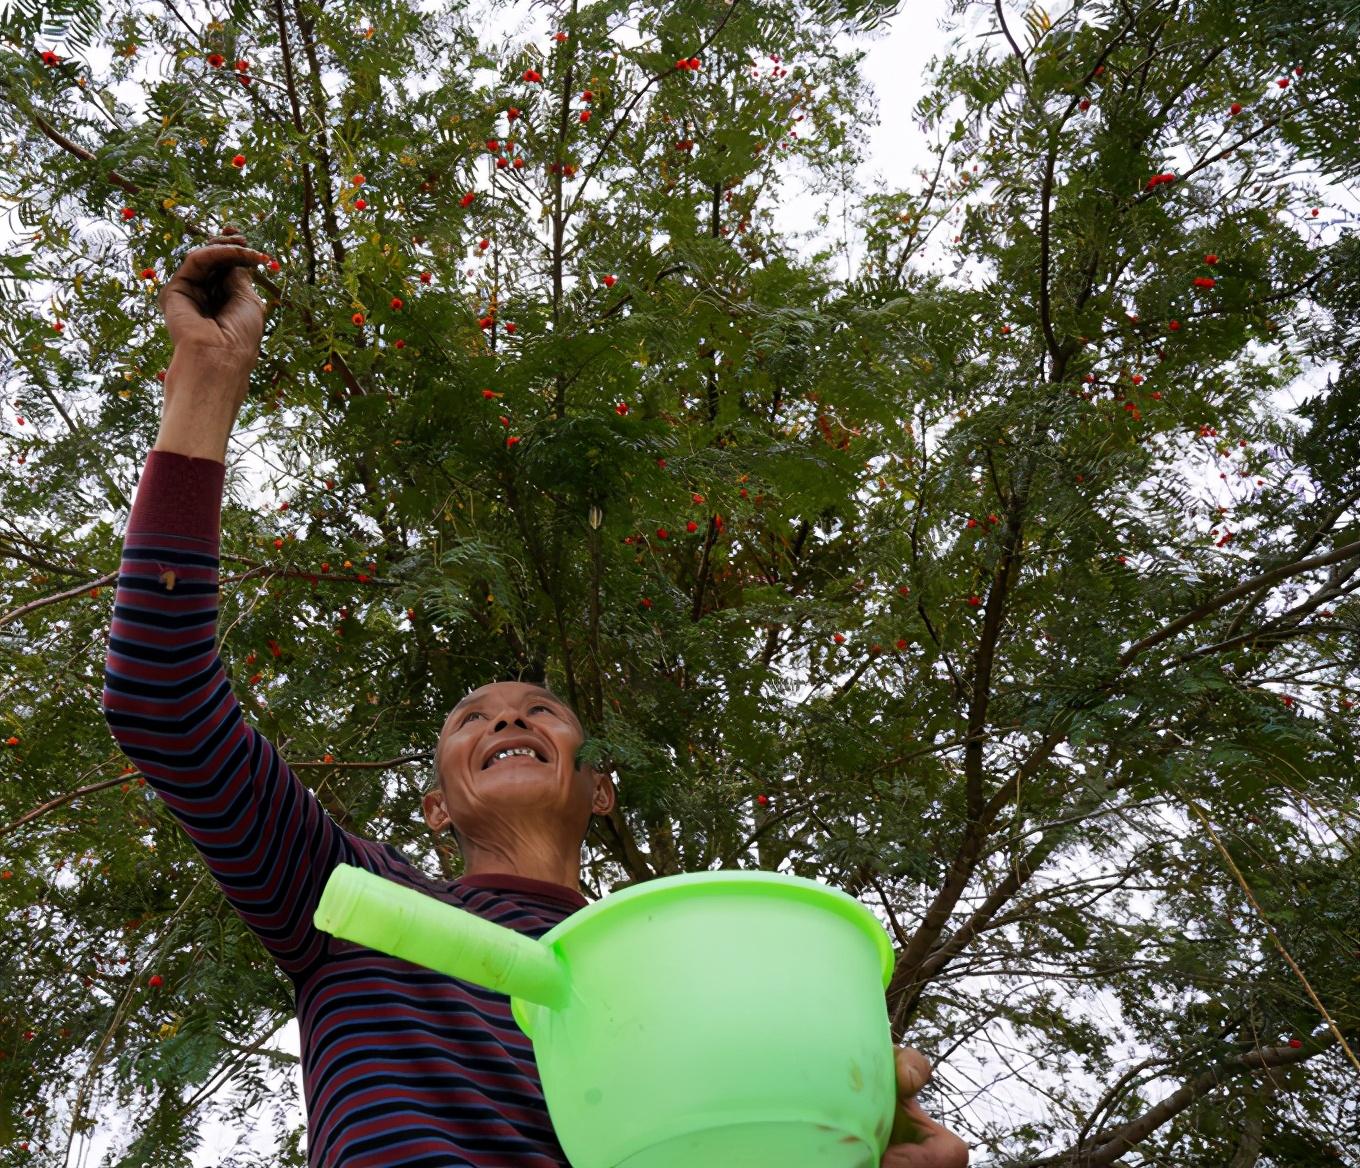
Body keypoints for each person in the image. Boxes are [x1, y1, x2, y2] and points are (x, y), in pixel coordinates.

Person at [100, 227, 968, 1168]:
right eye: (471, 719)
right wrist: (206, 383)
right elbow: (162, 697)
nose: (508, 717)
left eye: (540, 710)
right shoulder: (352, 904)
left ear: (601, 789)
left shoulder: (682, 986)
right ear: (435, 806)